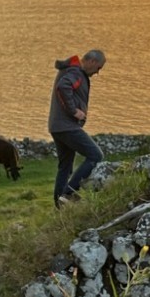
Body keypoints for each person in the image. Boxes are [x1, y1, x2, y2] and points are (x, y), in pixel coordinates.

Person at [49, 49, 106, 207]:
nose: (97, 73)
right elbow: (63, 87)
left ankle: (60, 205)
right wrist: (74, 111)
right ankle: (68, 193)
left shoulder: (70, 70)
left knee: (65, 166)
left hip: (56, 126)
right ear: (92, 62)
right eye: (98, 68)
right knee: (96, 155)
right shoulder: (77, 73)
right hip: (67, 126)